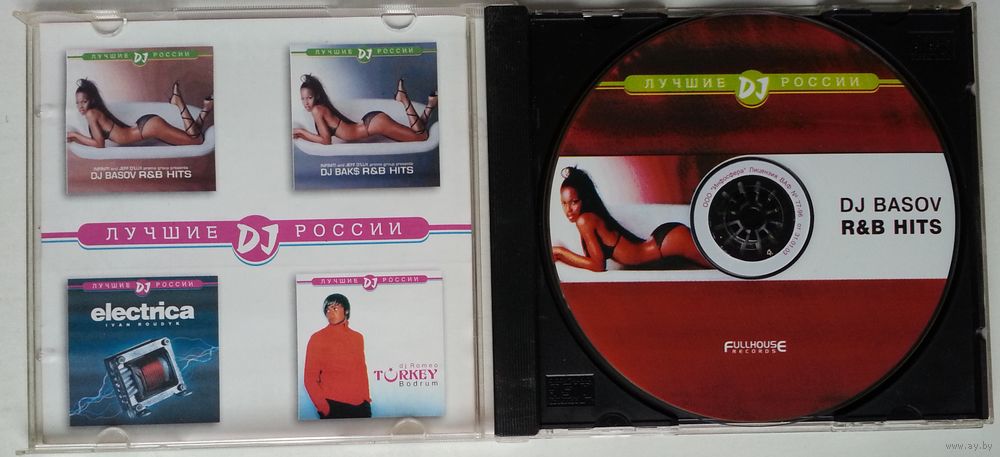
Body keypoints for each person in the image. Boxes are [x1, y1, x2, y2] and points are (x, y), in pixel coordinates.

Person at [551, 167, 712, 272]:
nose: (568, 209)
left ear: (584, 200)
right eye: (564, 203)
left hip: (668, 242)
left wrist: (559, 252)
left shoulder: (585, 220)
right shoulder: (591, 218)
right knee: (718, 259)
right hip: (665, 240)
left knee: (720, 264)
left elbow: (597, 265)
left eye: (574, 202)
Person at [292, 74, 437, 144]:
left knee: (421, 137)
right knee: (417, 134)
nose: (306, 103)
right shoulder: (321, 109)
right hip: (372, 122)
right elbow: (325, 139)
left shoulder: (317, 110)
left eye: (309, 98)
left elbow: (325, 140)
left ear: (316, 96)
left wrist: (301, 132)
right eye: (302, 99)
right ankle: (430, 105)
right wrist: (302, 134)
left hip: (374, 124)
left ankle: (403, 99)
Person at [66, 79, 213, 148]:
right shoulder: (95, 112)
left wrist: (75, 136)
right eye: (77, 103)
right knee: (193, 137)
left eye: (84, 101)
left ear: (91, 100)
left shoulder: (91, 114)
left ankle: (179, 102)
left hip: (149, 127)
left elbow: (99, 144)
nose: (80, 106)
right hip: (146, 125)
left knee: (196, 141)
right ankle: (206, 109)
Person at [303, 293, 372, 419]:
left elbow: (361, 370)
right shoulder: (317, 338)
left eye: (334, 308)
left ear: (346, 311)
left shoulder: (357, 338)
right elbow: (309, 379)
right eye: (327, 310)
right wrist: (325, 408)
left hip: (361, 407)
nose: (330, 313)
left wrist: (366, 400)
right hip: (334, 406)